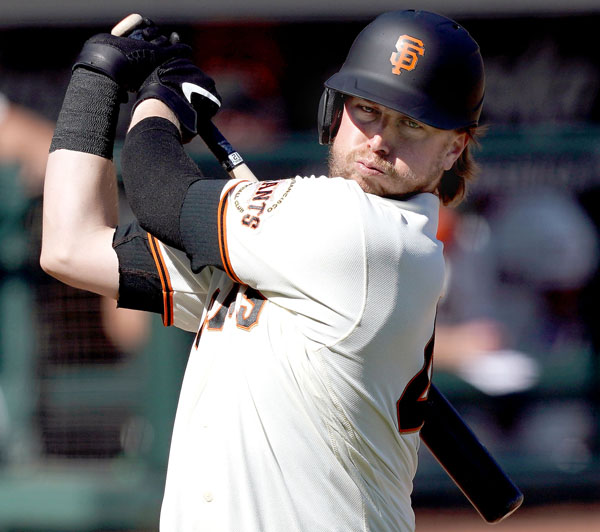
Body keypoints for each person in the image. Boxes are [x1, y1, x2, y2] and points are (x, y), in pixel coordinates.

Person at [41, 10, 484, 531]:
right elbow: (70, 247)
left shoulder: (363, 231)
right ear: (336, 111)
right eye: (368, 110)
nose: (380, 141)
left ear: (454, 147)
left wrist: (160, 103)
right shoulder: (285, 250)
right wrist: (95, 85)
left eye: (412, 124)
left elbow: (166, 199)